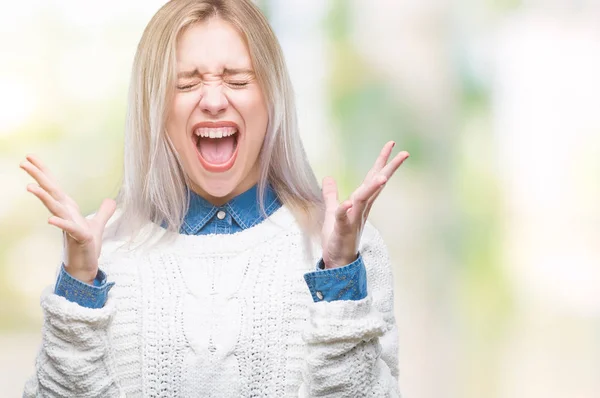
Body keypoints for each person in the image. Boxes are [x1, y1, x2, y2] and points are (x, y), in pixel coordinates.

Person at [20, 0, 409, 396]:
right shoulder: (102, 253)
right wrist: (79, 288)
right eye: (186, 83)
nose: (213, 100)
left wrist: (339, 277)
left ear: (272, 97)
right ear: (154, 106)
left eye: (238, 80)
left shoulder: (350, 249)